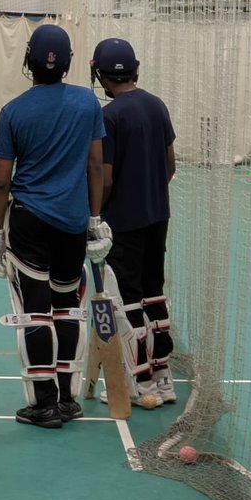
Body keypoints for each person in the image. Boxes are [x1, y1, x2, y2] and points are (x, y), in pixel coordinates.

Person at [0, 24, 108, 429]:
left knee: (34, 312)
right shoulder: (87, 103)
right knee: (69, 307)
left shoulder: (14, 111)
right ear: (69, 61)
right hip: (72, 221)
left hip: (30, 222)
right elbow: (95, 165)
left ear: (28, 61)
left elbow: (2, 179)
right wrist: (94, 219)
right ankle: (68, 400)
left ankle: (43, 405)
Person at [90, 37, 177, 407]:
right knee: (153, 292)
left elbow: (105, 178)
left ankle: (141, 383)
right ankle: (164, 377)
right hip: (158, 215)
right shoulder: (157, 106)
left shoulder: (109, 116)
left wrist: (95, 214)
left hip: (123, 222)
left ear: (101, 73)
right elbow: (171, 163)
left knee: (127, 300)